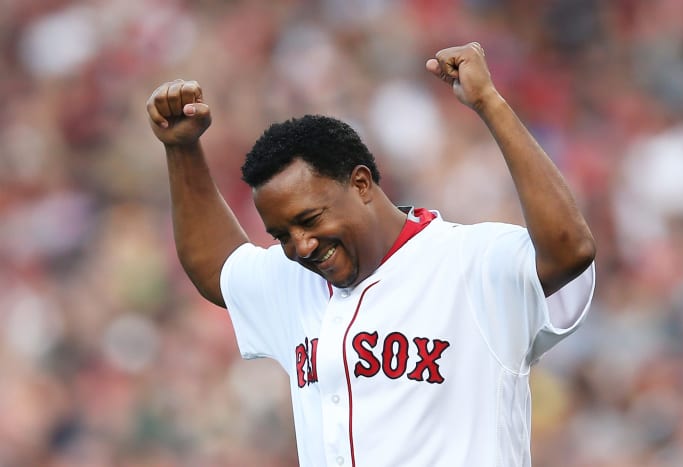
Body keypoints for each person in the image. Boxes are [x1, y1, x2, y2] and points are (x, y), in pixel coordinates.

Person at [146, 42, 596, 467]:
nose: (301, 245)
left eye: (310, 219)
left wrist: (490, 104)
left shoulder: (468, 261)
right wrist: (182, 149)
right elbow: (217, 268)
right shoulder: (296, 277)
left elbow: (569, 249)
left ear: (361, 184)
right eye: (281, 234)